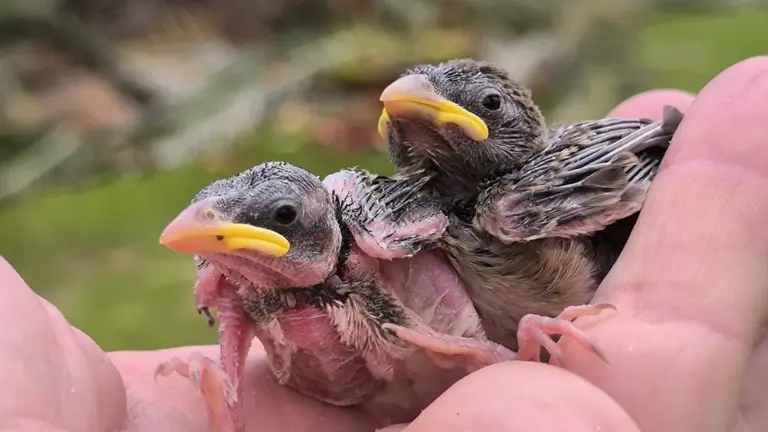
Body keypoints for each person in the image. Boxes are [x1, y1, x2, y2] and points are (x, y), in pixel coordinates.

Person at [2, 56, 767, 432]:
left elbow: (654, 163)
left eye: (482, 107)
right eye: (411, 117)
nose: (426, 119)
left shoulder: (515, 201)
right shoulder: (402, 224)